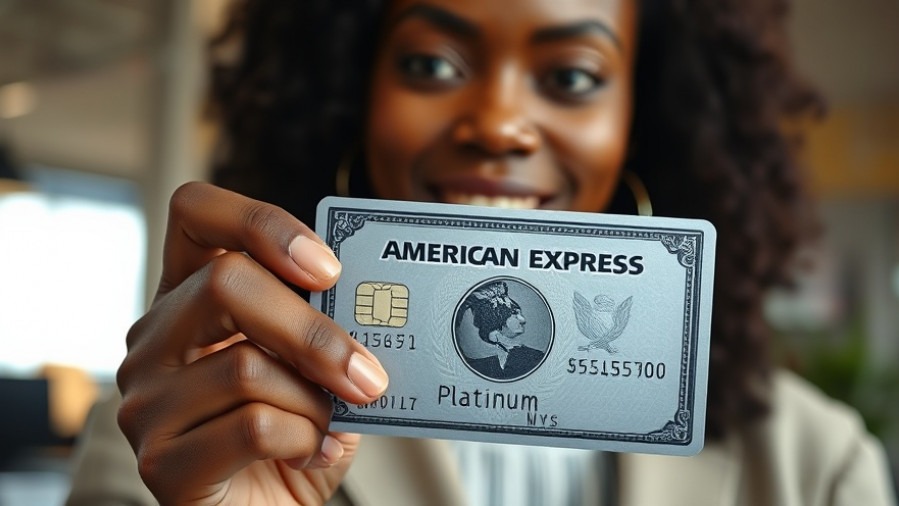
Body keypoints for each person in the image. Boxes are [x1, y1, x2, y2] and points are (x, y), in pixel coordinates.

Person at [66, 0, 898, 504]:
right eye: (431, 64)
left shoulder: (816, 465)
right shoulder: (189, 426)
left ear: (643, 120)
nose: (497, 124)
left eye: (571, 78)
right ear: (349, 93)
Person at [457, 280, 547, 381]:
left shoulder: (535, 358)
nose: (523, 320)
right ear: (497, 318)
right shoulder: (474, 364)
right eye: (515, 313)